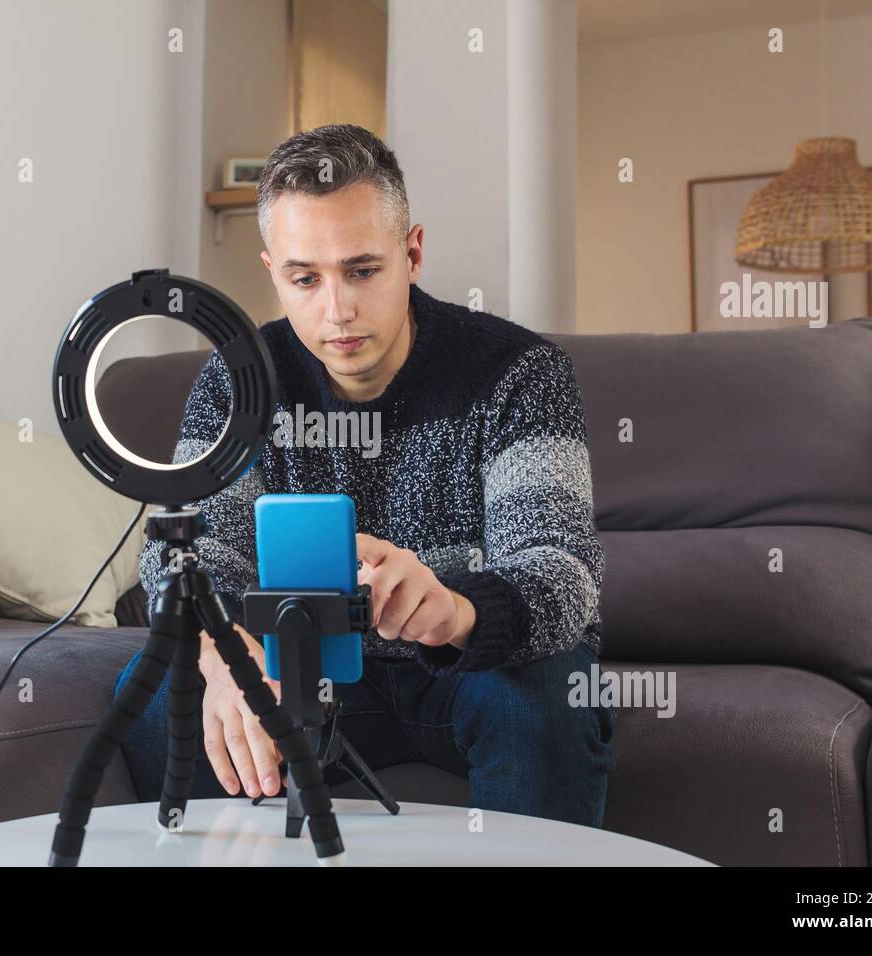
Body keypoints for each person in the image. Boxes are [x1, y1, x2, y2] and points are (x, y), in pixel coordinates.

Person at [117, 123, 615, 826]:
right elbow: (186, 553)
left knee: (548, 699)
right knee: (156, 698)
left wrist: (457, 610)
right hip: (300, 670)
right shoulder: (238, 380)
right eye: (304, 279)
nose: (337, 310)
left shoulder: (519, 372)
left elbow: (561, 569)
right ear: (271, 274)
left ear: (411, 253)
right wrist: (219, 650)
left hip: (470, 671)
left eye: (362, 271)